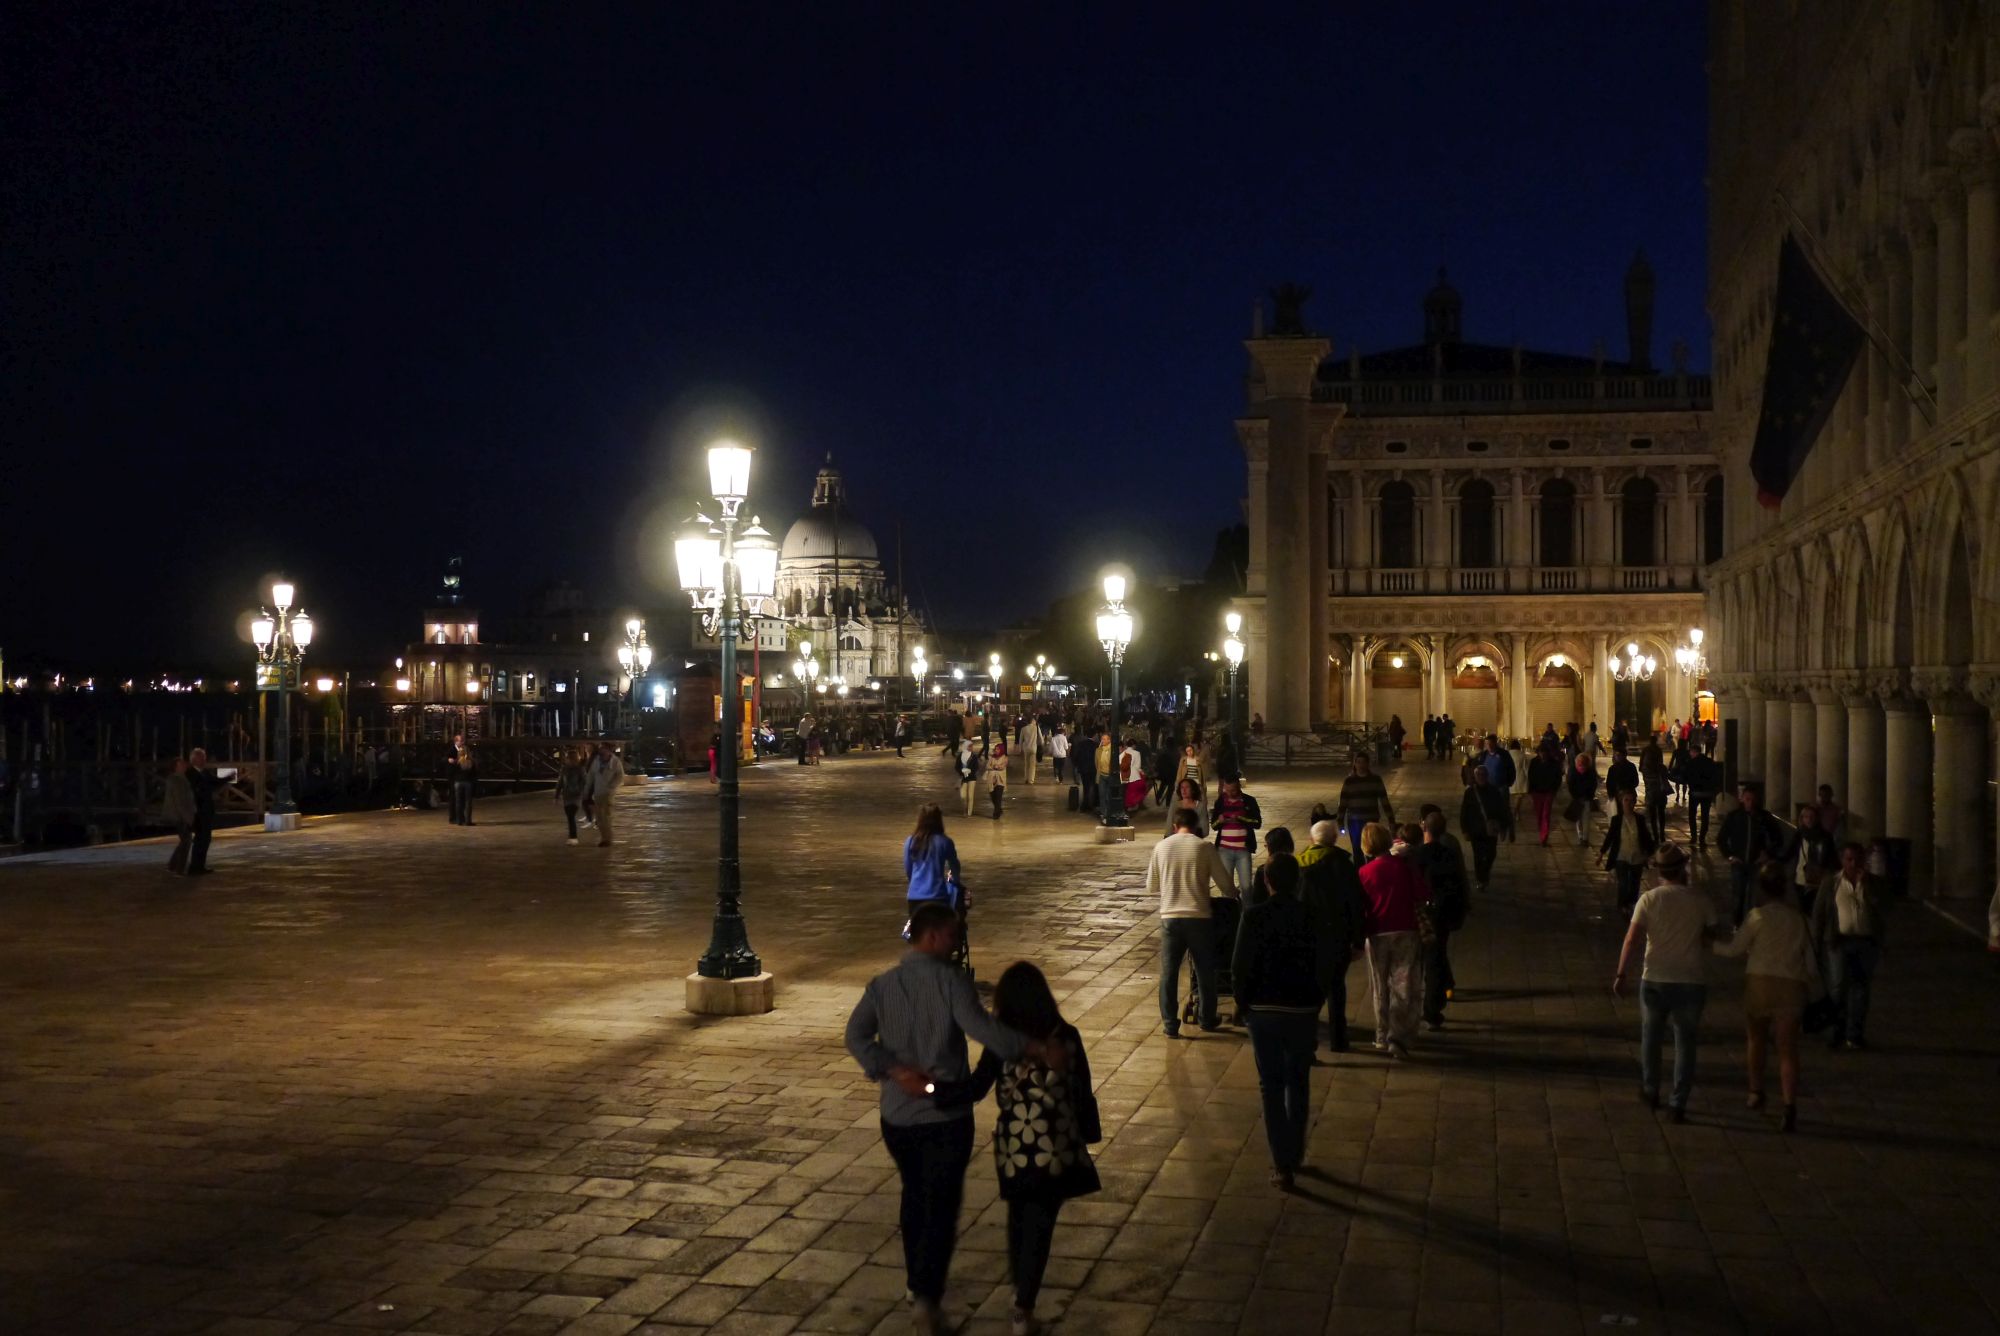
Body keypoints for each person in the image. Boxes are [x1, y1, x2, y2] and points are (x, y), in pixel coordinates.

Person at [843, 905, 1058, 1335]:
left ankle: (914, 1282)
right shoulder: (950, 982)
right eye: (954, 935)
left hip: (898, 1117)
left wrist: (893, 1070)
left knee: (914, 1195)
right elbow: (982, 1030)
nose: (959, 943)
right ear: (935, 937)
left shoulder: (883, 985)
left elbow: (855, 1036)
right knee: (941, 1208)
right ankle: (927, 1301)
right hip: (945, 1118)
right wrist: (1033, 1047)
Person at [941, 962, 1098, 1336]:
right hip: (1055, 1149)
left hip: (1013, 1146)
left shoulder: (1002, 1041)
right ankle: (1023, 1307)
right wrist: (1086, 1133)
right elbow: (1082, 1092)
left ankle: (1019, 1300)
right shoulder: (1068, 1036)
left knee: (1018, 1221)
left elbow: (978, 1086)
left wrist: (937, 1092)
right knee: (1040, 1227)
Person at [1231, 856, 1322, 1190]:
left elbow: (1240, 966)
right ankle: (1295, 1152)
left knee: (1271, 1086)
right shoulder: (1311, 916)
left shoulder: (1254, 916)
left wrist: (1243, 1004)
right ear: (1297, 882)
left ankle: (1282, 1164)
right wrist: (1316, 1001)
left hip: (1264, 1012)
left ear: (1267, 881)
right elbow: (1322, 962)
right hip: (1301, 1010)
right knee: (1298, 1081)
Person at [1711, 863, 1816, 1131]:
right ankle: (1789, 1104)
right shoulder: (1802, 920)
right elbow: (1813, 965)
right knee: (1787, 1050)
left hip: (1760, 983)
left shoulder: (1757, 917)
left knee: (1756, 1039)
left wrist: (1707, 944)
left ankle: (1755, 1091)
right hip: (1791, 986)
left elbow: (1734, 950)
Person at [1612, 844, 1713, 1122]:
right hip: (1690, 980)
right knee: (1685, 1043)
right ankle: (1678, 1102)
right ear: (1683, 869)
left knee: (1651, 1038)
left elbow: (1631, 939)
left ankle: (1651, 1088)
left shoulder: (1649, 899)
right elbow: (1711, 935)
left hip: (1655, 977)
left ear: (1659, 872)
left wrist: (1621, 974)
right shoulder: (1700, 900)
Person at [1147, 807, 1237, 1037]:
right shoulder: (1204, 847)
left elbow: (1151, 886)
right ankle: (1207, 1019)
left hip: (1170, 918)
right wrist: (1234, 893)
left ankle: (1170, 1024)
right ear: (1197, 828)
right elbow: (1226, 885)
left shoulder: (1161, 847)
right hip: (1198, 916)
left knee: (1169, 973)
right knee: (1205, 970)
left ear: (1174, 827)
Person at [1356, 822, 1427, 1058]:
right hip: (1406, 929)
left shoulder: (1364, 873)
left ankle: (1380, 1034)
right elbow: (1422, 893)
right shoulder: (1403, 867)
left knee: (1379, 986)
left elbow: (1362, 907)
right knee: (1403, 985)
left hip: (1377, 933)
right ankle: (1398, 1036)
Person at [1811, 842, 1889, 1051]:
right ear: (1842, 860)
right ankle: (1838, 1030)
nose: (1853, 864)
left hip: (1865, 942)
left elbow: (1883, 909)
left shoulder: (1874, 883)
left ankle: (1854, 1035)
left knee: (1860, 989)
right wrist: (1816, 942)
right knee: (1837, 988)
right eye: (1849, 859)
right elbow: (1819, 914)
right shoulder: (1832, 883)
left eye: (1857, 859)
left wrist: (1868, 888)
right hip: (1838, 941)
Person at [1299, 820, 1366, 1053]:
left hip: (1309, 938)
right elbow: (1356, 905)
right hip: (1338, 937)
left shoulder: (1300, 865)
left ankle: (1307, 1038)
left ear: (1311, 839)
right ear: (1334, 839)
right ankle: (1339, 1039)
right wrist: (1358, 940)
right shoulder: (1344, 866)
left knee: (1311, 989)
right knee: (1336, 987)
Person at [1415, 811, 1469, 1029]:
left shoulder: (1419, 855)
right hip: (1444, 914)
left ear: (1424, 829)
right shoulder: (1449, 854)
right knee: (1437, 956)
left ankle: (1430, 1008)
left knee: (1429, 961)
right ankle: (1435, 1004)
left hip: (1424, 916)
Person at [1718, 781, 1786, 925]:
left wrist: (1767, 854)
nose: (1750, 803)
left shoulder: (1765, 818)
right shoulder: (1734, 817)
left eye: (1753, 799)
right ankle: (1737, 925)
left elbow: (1778, 839)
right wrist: (1730, 855)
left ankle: (1753, 925)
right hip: (1739, 863)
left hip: (1757, 863)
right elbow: (1722, 838)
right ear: (1742, 799)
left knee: (1755, 896)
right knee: (1738, 896)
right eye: (1747, 799)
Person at [1598, 789, 1659, 915]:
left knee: (1635, 882)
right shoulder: (1617, 820)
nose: (1629, 803)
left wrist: (1652, 853)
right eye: (1626, 800)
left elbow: (1646, 837)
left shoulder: (1639, 819)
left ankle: (1631, 902)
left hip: (1637, 856)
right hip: (1622, 855)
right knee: (1623, 882)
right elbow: (1610, 837)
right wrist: (1601, 853)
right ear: (1621, 802)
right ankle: (1622, 904)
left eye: (1632, 801)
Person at [904, 803, 964, 923]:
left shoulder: (911, 841)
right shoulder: (945, 841)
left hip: (915, 896)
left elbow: (908, 868)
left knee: (919, 936)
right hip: (937, 895)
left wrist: (916, 882)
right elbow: (955, 866)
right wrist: (955, 879)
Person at [1208, 775, 1262, 898]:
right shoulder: (1220, 802)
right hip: (1224, 850)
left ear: (1239, 787)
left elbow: (1257, 823)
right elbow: (1214, 826)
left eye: (1233, 790)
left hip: (1243, 849)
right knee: (1227, 888)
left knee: (1246, 886)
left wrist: (1240, 818)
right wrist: (1220, 821)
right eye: (1226, 790)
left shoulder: (1249, 801)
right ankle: (1229, 913)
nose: (1229, 793)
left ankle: (1247, 913)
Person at [1338, 752, 1394, 861]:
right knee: (1357, 849)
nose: (1361, 765)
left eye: (1363, 762)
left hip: (1371, 819)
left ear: (1368, 764)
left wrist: (1391, 819)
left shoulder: (1376, 780)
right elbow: (1343, 802)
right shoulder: (1349, 781)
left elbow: (1384, 800)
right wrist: (1340, 821)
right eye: (1358, 762)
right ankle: (1360, 873)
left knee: (1373, 848)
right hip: (1354, 821)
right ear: (1354, 764)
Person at [1458, 766, 1507, 889]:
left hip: (1491, 829)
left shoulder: (1494, 791)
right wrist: (1465, 830)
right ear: (1475, 777)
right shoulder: (1469, 792)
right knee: (1478, 855)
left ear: (1487, 776)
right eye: (1478, 775)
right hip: (1476, 830)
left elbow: (1501, 809)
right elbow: (1464, 811)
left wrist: (1503, 827)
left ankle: (1485, 872)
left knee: (1491, 853)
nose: (1481, 777)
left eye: (1483, 774)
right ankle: (1481, 878)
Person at [1788, 803, 1836, 916]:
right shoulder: (1799, 835)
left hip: (1819, 879)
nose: (1809, 820)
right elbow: (1789, 853)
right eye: (1806, 817)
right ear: (1802, 819)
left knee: (1817, 910)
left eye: (1812, 817)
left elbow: (1831, 856)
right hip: (1801, 877)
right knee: (1803, 909)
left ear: (1817, 818)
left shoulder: (1825, 837)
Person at [184, 748, 223, 874]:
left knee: (205, 839)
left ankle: (200, 866)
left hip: (206, 811)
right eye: (202, 757)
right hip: (198, 812)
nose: (204, 760)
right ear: (194, 759)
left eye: (205, 757)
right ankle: (194, 867)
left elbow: (214, 782)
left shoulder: (204, 772)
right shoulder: (190, 773)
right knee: (200, 840)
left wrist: (227, 778)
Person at [1683, 743, 1722, 850]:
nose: (1690, 754)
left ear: (1694, 751)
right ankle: (1702, 838)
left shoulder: (1691, 763)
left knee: (1692, 815)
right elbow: (1716, 776)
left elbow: (1686, 776)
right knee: (1705, 816)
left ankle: (1694, 836)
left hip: (1695, 792)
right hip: (1708, 793)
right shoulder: (1710, 762)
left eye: (1691, 752)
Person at [1247, 826, 1296, 908]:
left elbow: (1257, 899)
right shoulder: (1296, 866)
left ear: (1271, 847)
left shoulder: (1263, 870)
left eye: (1266, 845)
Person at [1525, 743, 1563, 846]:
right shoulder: (1534, 762)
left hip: (1548, 792)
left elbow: (1558, 777)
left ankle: (1544, 836)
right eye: (1541, 753)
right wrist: (1530, 790)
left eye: (1545, 753)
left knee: (1546, 814)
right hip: (1537, 792)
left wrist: (1554, 789)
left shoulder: (1554, 763)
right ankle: (1542, 830)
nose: (1543, 755)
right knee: (1539, 814)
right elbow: (1531, 776)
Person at [1480, 737, 1517, 840]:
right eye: (1487, 744)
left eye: (1491, 744)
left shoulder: (1504, 755)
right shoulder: (1484, 755)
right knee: (1492, 809)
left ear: (1495, 743)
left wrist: (1508, 783)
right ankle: (1495, 829)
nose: (1489, 746)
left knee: (1504, 809)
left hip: (1501, 786)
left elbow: (1511, 769)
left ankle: (1507, 828)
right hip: (1489, 787)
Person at [163, 757, 196, 874]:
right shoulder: (176, 780)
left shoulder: (181, 779)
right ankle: (178, 869)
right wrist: (188, 818)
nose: (185, 765)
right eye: (181, 763)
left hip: (180, 815)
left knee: (185, 841)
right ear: (176, 766)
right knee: (186, 841)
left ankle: (172, 866)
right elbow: (179, 801)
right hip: (179, 816)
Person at [586, 743, 622, 847]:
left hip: (608, 793)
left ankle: (607, 839)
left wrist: (611, 787)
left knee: (606, 816)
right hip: (598, 792)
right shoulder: (597, 760)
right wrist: (587, 790)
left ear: (609, 750)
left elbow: (620, 776)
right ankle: (603, 837)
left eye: (603, 748)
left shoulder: (615, 761)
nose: (601, 750)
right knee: (599, 818)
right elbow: (591, 776)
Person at [1566, 751, 1600, 847]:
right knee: (1580, 819)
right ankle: (1582, 837)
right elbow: (1571, 784)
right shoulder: (1575, 770)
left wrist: (1586, 796)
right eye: (1580, 762)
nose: (1581, 764)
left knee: (1584, 819)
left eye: (1583, 762)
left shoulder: (1588, 771)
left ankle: (1584, 838)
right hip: (1580, 798)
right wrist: (1577, 796)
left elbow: (1593, 784)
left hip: (1585, 798)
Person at [1639, 735, 1669, 836]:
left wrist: (1642, 768)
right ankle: (1661, 833)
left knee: (1652, 813)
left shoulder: (1646, 750)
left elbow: (1641, 761)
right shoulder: (1658, 752)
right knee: (1661, 813)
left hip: (1652, 791)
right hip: (1660, 792)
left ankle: (1656, 834)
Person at [557, 747, 587, 845]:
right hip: (566, 795)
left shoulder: (580, 769)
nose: (568, 760)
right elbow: (560, 782)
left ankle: (573, 837)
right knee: (569, 816)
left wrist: (581, 791)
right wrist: (556, 795)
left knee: (571, 815)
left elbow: (584, 782)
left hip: (576, 796)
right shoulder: (564, 769)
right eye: (567, 758)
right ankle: (572, 837)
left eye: (569, 758)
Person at [449, 734, 477, 826]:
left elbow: (453, 770)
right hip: (467, 782)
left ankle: (459, 821)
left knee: (458, 802)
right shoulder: (470, 761)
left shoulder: (456, 761)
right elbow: (473, 771)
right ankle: (468, 820)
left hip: (457, 782)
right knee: (468, 802)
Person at [1119, 736, 1147, 814]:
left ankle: (1124, 808)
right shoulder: (1137, 753)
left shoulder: (1123, 753)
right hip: (1134, 776)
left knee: (1125, 792)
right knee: (1138, 790)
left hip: (1123, 775)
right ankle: (1133, 806)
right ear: (1134, 745)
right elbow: (1138, 767)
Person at [956, 738, 982, 818]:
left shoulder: (973, 756)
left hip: (972, 778)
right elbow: (956, 766)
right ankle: (964, 809)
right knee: (963, 796)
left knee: (970, 796)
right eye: (969, 746)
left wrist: (970, 771)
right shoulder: (960, 756)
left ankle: (969, 813)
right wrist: (962, 771)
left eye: (971, 746)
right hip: (963, 778)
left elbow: (976, 767)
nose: (971, 748)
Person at [986, 737, 1009, 819]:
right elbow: (988, 766)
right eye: (995, 749)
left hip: (1000, 780)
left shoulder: (1005, 758)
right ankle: (999, 809)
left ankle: (996, 814)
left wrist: (996, 766)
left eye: (998, 749)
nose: (996, 750)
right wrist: (994, 767)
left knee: (998, 797)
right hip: (992, 780)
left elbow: (1002, 767)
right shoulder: (991, 757)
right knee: (993, 796)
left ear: (1001, 750)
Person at [1017, 714, 1041, 787]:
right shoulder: (1036, 728)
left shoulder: (1023, 729)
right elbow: (1040, 738)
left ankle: (1026, 779)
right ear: (1033, 721)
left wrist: (1020, 749)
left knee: (1026, 764)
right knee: (1032, 765)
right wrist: (1041, 745)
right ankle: (1031, 780)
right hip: (1034, 748)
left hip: (1026, 748)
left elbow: (1020, 740)